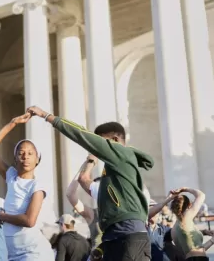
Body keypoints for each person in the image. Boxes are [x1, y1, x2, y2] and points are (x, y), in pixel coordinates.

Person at [27, 106, 154, 261]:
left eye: (101, 142)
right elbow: (84, 180)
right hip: (114, 237)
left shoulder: (121, 153)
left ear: (114, 140)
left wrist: (46, 116)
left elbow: (81, 134)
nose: (98, 148)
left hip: (129, 236)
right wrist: (91, 161)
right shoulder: (114, 171)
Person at [0, 112, 53, 260]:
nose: (25, 157)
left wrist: (2, 216)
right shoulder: (11, 176)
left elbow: (29, 221)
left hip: (33, 254)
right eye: (21, 153)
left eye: (30, 153)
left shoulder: (37, 186)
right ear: (15, 158)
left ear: (37, 160)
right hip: (12, 254)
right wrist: (13, 123)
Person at [170, 187, 214, 260]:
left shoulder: (174, 229)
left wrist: (204, 232)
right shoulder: (186, 217)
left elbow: (194, 251)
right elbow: (201, 195)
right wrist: (184, 189)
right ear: (189, 205)